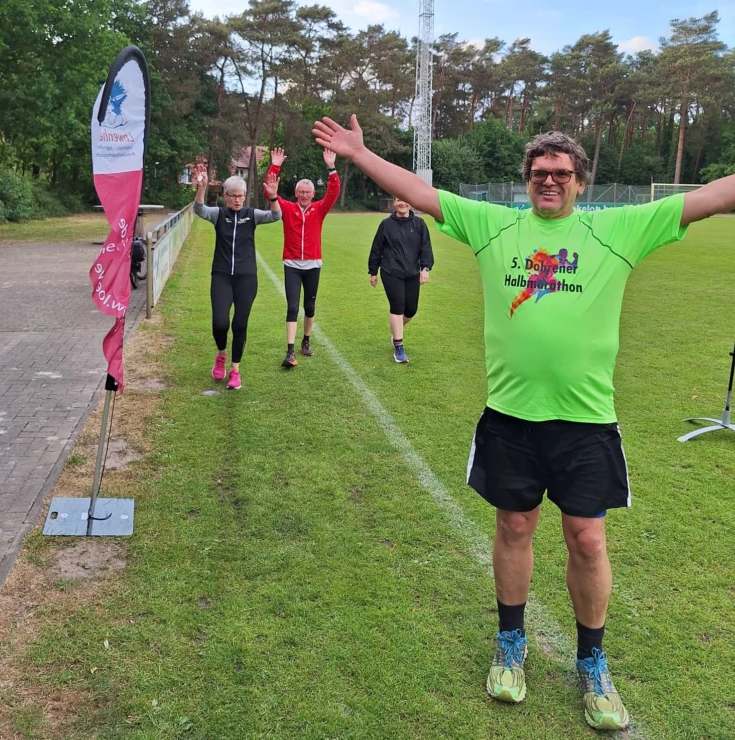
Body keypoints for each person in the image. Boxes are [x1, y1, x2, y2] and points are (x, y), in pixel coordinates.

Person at [312, 114, 735, 733]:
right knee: (514, 526)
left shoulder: (619, 228)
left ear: (580, 182)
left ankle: (592, 661)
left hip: (586, 422)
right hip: (510, 417)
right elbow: (420, 191)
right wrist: (359, 154)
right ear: (527, 179)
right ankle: (511, 643)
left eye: (561, 173)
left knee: (587, 540)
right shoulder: (496, 225)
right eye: (540, 172)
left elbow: (712, 197)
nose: (550, 181)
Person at [193, 165, 282, 390]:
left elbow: (276, 215)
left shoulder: (251, 215)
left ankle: (235, 370)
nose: (237, 200)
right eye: (233, 196)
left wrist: (273, 197)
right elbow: (199, 209)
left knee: (240, 324)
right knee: (220, 323)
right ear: (225, 196)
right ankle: (221, 354)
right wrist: (201, 188)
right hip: (222, 276)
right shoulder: (218, 215)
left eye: (241, 196)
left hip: (246, 278)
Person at [264, 147, 340, 369]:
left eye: (308, 192)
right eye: (301, 192)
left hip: (313, 265)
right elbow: (269, 191)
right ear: (296, 193)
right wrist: (275, 166)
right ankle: (289, 351)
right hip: (292, 265)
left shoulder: (319, 209)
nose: (304, 195)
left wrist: (331, 167)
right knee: (292, 306)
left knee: (309, 306)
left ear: (313, 194)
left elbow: (334, 192)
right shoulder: (287, 208)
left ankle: (306, 340)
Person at [368, 197, 434, 363]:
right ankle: (399, 348)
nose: (402, 203)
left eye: (405, 200)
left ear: (410, 202)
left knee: (410, 310)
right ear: (394, 203)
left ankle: (396, 331)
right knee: (397, 307)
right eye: (398, 200)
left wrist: (425, 268)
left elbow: (425, 247)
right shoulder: (386, 224)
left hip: (412, 272)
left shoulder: (419, 224)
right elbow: (377, 248)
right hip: (391, 271)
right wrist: (373, 271)